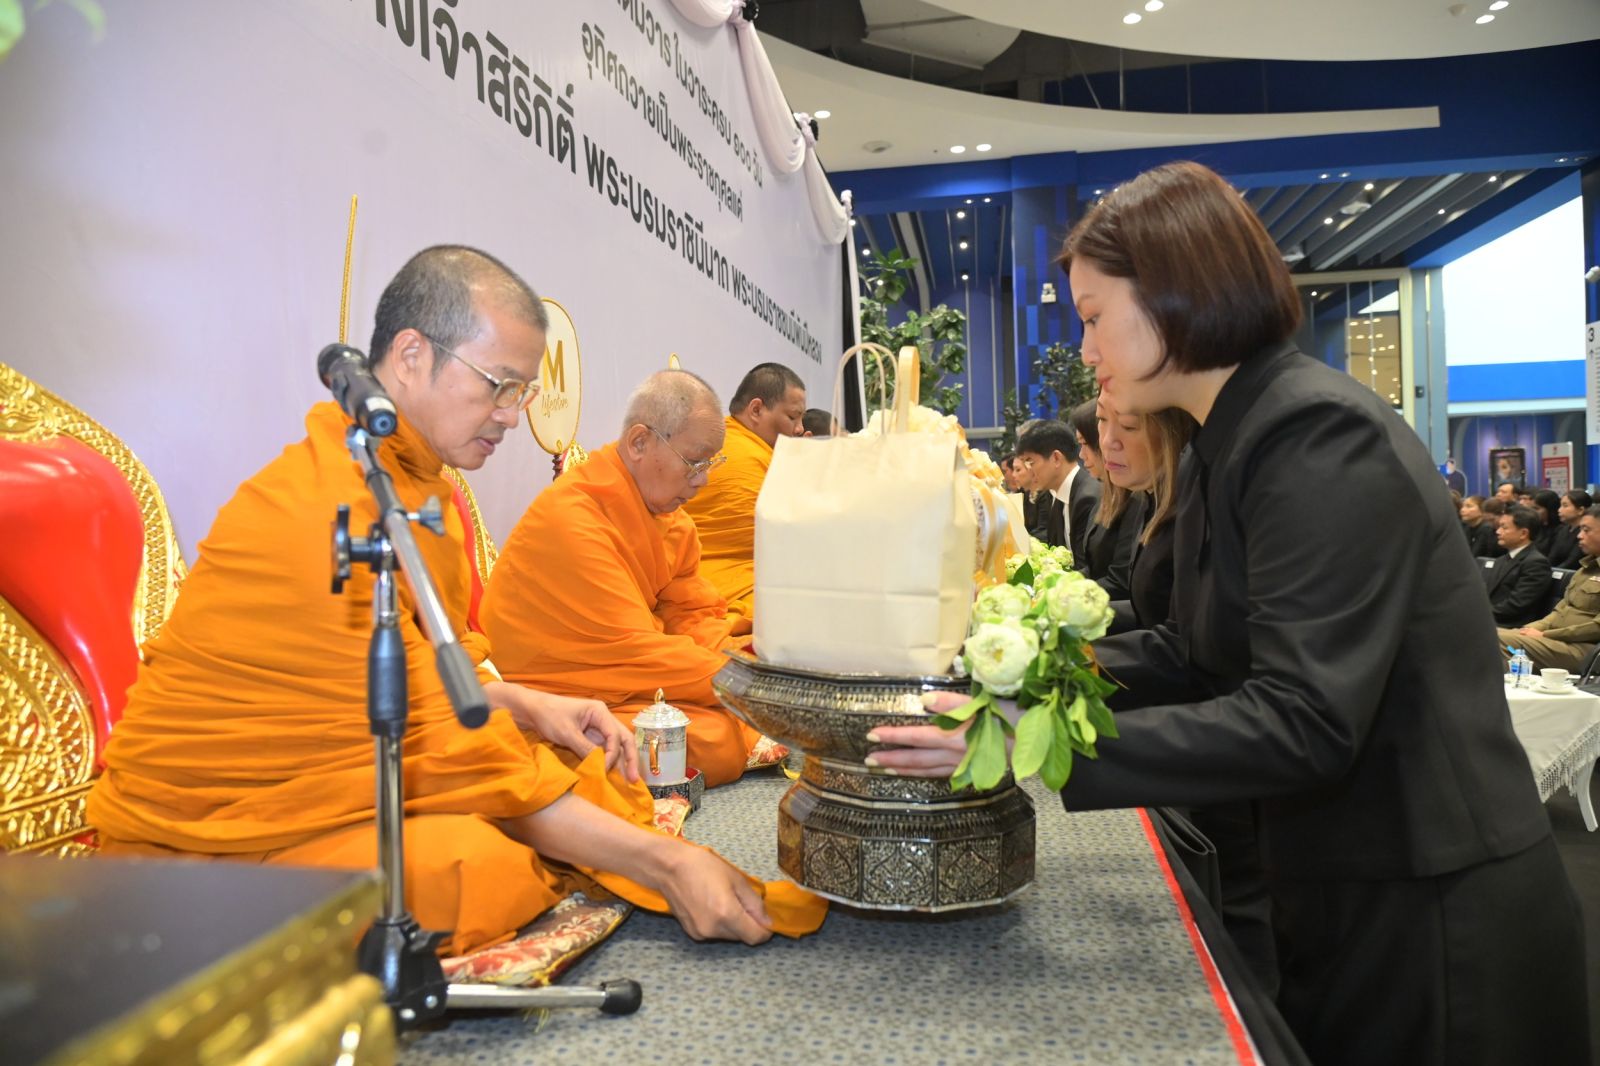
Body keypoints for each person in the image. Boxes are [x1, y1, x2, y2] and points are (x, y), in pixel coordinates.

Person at [870, 162, 1587, 1065]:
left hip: (1433, 905)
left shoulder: (1315, 434)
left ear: (1175, 293)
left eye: (1093, 317)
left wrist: (1036, 745)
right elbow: (1195, 650)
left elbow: (1306, 718)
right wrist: (1017, 682)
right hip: (1336, 879)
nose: (1085, 350)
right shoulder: (1233, 439)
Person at [87, 247, 823, 953]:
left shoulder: (417, 487)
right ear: (411, 357)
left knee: (562, 790)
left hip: (359, 771)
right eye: (499, 385)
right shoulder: (321, 508)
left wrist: (526, 704)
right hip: (209, 833)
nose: (511, 415)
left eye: (521, 393)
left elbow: (436, 671)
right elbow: (432, 724)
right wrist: (664, 862)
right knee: (475, 867)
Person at [482, 370, 767, 787]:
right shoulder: (574, 518)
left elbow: (694, 615)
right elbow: (633, 651)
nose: (703, 480)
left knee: (716, 722)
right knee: (712, 737)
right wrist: (742, 684)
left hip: (624, 680)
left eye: (710, 464)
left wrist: (734, 666)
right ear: (639, 443)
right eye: (695, 462)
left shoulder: (674, 522)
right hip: (551, 695)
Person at [679, 362, 806, 620]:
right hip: (712, 594)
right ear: (756, 409)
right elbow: (790, 544)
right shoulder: (743, 456)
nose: (800, 429)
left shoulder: (752, 451)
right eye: (793, 417)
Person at [1098, 401, 1195, 634]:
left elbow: (1182, 638)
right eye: (1101, 419)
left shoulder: (1191, 513)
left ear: (1173, 433)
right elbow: (1146, 611)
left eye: (1128, 426)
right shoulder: (1146, 499)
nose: (1108, 441)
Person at [1500, 505, 1600, 672]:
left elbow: (1596, 627)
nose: (1579, 536)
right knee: (1486, 633)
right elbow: (1558, 613)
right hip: (1557, 641)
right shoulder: (1585, 570)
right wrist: (1529, 630)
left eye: (1586, 530)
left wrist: (1545, 635)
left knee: (1496, 641)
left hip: (1585, 649)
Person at [1067, 398, 1136, 598]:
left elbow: (1120, 581)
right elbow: (1092, 566)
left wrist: (1068, 596)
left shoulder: (1136, 499)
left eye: (1085, 444)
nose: (1082, 455)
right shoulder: (1107, 493)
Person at [1014, 418, 1101, 567]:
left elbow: (1089, 568)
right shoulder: (1054, 496)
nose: (1028, 470)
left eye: (1030, 462)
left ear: (1056, 458)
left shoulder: (1088, 498)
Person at [1485, 504, 1553, 626]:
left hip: (1511, 625)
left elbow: (1516, 605)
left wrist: (1480, 613)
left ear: (1523, 533)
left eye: (1504, 527)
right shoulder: (1501, 560)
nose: (1498, 531)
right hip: (1491, 619)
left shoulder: (1536, 563)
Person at [1544, 488, 1590, 569]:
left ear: (1580, 510)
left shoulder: (1585, 533)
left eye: (1565, 506)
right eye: (1560, 506)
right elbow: (1552, 557)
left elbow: (1573, 562)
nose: (1559, 510)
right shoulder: (1562, 530)